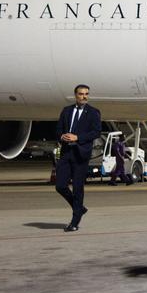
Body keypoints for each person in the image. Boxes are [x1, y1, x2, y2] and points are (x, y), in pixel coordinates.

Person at [54, 84, 102, 232]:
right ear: (75, 95)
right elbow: (58, 129)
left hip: (81, 154)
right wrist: (62, 136)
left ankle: (75, 221)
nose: (84, 96)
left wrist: (78, 137)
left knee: (77, 189)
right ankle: (79, 208)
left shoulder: (93, 112)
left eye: (86, 94)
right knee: (60, 186)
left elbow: (96, 132)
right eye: (81, 94)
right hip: (66, 152)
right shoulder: (66, 111)